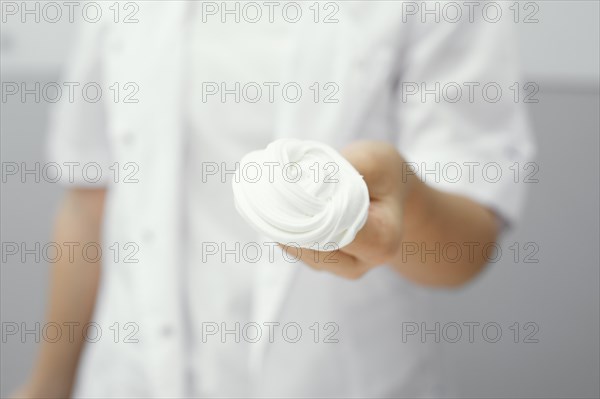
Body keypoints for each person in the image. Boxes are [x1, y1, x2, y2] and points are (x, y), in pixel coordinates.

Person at [16, 1, 535, 397]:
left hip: (334, 380)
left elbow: (466, 249)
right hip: (128, 378)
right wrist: (46, 386)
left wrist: (405, 202)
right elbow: (92, 198)